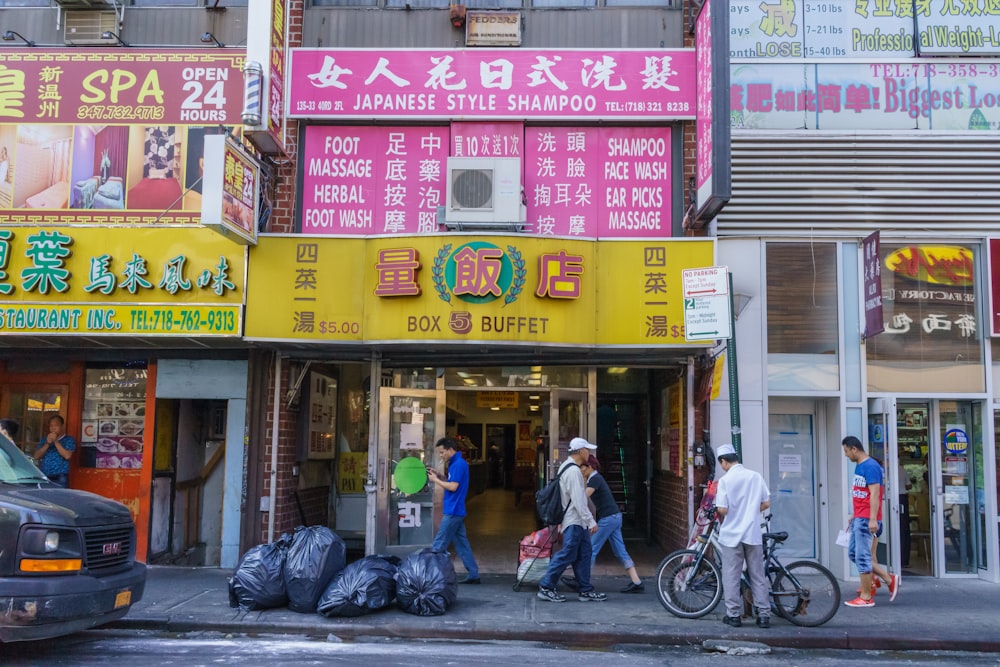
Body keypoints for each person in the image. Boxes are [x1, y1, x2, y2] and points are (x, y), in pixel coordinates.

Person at [537, 437, 606, 603]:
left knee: (584, 553)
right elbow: (579, 500)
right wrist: (591, 521)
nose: (589, 453)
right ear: (581, 451)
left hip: (577, 522)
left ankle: (585, 589)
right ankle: (546, 586)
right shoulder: (574, 471)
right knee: (568, 553)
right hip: (575, 521)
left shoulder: (566, 466)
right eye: (587, 450)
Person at [564, 455, 644, 593]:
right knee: (620, 551)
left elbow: (582, 497)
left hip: (608, 518)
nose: (581, 470)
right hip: (615, 517)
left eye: (582, 467)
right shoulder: (594, 478)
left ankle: (582, 581)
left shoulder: (595, 479)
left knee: (591, 548)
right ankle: (637, 582)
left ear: (590, 467)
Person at [713, 443, 771, 628]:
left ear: (723, 461)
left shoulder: (725, 481)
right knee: (757, 575)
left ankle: (733, 615)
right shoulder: (755, 476)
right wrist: (750, 511)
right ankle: (763, 615)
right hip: (753, 533)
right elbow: (766, 503)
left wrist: (730, 511)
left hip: (731, 536)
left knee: (731, 575)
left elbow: (722, 509)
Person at [842, 435, 899, 607]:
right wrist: (854, 513)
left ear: (854, 449)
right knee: (853, 554)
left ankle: (866, 597)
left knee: (863, 556)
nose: (845, 455)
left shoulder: (871, 467)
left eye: (846, 451)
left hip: (867, 518)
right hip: (860, 516)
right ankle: (888, 578)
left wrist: (873, 519)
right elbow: (862, 493)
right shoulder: (860, 466)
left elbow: (875, 494)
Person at [427, 436, 481, 584]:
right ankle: (473, 573)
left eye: (442, 452)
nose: (441, 455)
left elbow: (453, 486)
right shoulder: (457, 463)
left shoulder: (457, 464)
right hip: (456, 510)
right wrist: (439, 475)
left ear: (451, 450)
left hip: (453, 511)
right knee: (462, 544)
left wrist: (435, 481)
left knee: (439, 544)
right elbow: (451, 482)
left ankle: (429, 576)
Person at [34, 413, 76, 488]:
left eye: (56, 425)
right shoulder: (44, 439)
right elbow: (36, 456)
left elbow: (67, 456)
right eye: (51, 426)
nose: (53, 428)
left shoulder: (69, 439)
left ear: (62, 426)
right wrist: (47, 443)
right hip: (44, 476)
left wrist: (56, 441)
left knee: (59, 498)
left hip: (60, 476)